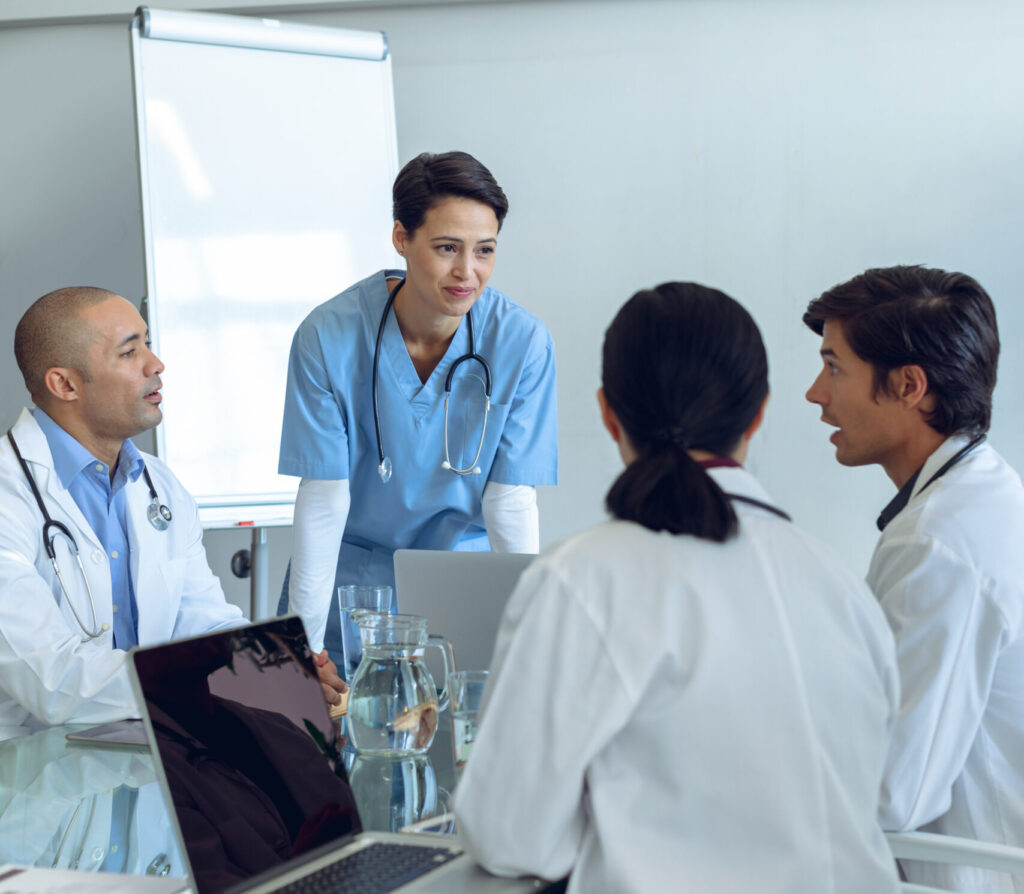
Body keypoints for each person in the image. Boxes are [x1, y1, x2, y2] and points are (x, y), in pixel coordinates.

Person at [454, 282, 901, 894]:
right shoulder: (842, 589)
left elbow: (508, 837)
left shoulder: (581, 579)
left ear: (608, 413)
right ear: (758, 415)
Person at [0, 287, 344, 738]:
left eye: (147, 343)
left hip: (150, 754)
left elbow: (205, 621)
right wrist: (225, 678)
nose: (156, 364)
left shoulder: (159, 485)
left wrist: (276, 664)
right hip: (28, 764)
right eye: (129, 352)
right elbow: (51, 680)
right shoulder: (9, 492)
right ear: (65, 384)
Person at [277, 151, 558, 663]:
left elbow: (510, 500)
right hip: (348, 592)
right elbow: (323, 499)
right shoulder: (329, 336)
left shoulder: (521, 342)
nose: (467, 272)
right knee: (325, 709)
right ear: (401, 238)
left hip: (462, 585)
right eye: (447, 247)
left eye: (485, 250)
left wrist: (529, 638)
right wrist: (303, 648)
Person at [804, 264, 1024, 892]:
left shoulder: (940, 542)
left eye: (834, 368)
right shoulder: (983, 494)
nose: (816, 394)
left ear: (909, 386)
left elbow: (892, 792)